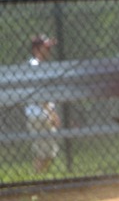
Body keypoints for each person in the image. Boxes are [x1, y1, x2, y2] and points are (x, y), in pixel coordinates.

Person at [24, 34, 61, 173]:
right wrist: (52, 114)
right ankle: (35, 178)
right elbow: (40, 95)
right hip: (38, 114)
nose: (48, 51)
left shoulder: (38, 65)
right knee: (43, 153)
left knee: (49, 153)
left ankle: (38, 177)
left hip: (41, 114)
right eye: (45, 48)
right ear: (35, 49)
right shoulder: (34, 65)